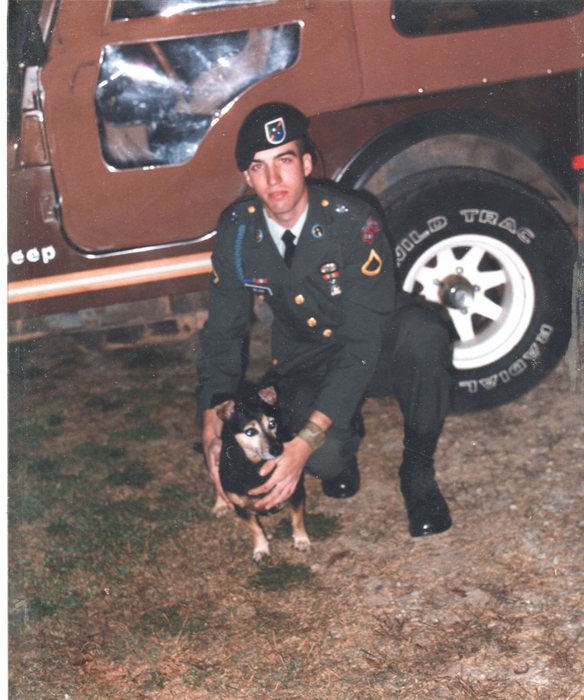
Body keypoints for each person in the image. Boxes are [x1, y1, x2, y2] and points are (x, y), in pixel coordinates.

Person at [197, 102, 453, 537]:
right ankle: (343, 439)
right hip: (307, 358)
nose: (273, 179)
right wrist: (211, 422)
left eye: (284, 161)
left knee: (424, 336)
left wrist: (303, 443)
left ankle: (418, 471)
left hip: (377, 345)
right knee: (325, 459)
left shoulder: (352, 222)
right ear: (247, 178)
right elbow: (224, 331)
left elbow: (362, 345)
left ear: (307, 164)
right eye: (258, 167)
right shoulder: (238, 232)